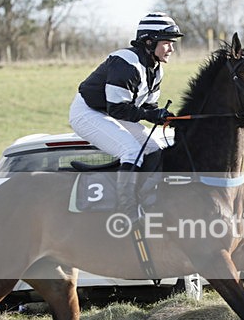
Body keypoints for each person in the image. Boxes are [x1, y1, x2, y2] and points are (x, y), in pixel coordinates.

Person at [69, 12, 184, 220]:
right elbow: (118, 110)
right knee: (131, 150)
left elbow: (148, 106)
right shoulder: (126, 63)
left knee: (154, 148)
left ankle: (146, 198)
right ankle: (128, 211)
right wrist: (151, 115)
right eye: (167, 42)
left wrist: (164, 116)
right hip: (88, 112)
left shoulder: (156, 69)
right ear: (149, 41)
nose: (171, 49)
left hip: (112, 112)